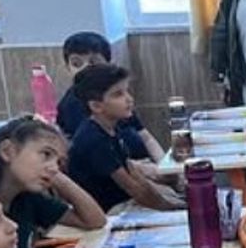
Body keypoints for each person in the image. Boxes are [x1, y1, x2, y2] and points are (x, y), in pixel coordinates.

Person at [0, 116, 106, 248]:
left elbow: (95, 220)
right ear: (8, 151)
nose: (55, 168)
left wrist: (55, 176)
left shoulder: (27, 197)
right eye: (46, 154)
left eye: (59, 162)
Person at [67, 65, 185, 212]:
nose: (129, 99)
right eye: (118, 94)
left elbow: (134, 174)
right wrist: (172, 208)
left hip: (126, 200)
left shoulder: (112, 127)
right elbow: (133, 188)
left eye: (127, 91)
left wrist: (168, 185)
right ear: (96, 106)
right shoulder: (93, 139)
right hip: (109, 211)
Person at [55, 31, 163, 164]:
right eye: (76, 64)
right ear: (67, 67)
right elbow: (98, 156)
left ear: (108, 64)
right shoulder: (72, 105)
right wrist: (143, 170)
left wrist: (164, 165)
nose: (85, 69)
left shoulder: (115, 93)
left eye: (93, 62)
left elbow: (145, 137)